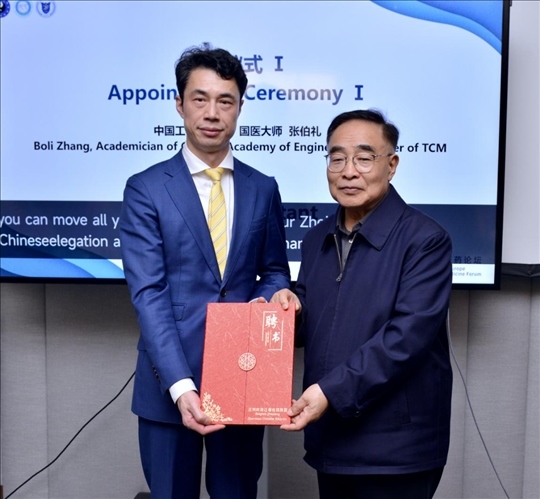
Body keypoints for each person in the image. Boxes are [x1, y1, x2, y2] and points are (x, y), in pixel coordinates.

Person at [119, 44, 290, 499]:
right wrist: (181, 387)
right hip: (168, 385)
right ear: (180, 104)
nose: (212, 113)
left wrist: (268, 299)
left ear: (239, 108)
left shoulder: (262, 187)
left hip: (243, 380)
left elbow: (275, 270)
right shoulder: (146, 189)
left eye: (225, 101)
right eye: (200, 99)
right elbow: (149, 295)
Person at [272, 109, 453, 499]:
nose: (348, 172)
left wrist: (330, 392)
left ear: (392, 165)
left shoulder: (425, 240)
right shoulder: (316, 238)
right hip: (331, 439)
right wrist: (289, 311)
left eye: (364, 158)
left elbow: (406, 339)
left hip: (397, 450)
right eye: (337, 159)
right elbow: (315, 322)